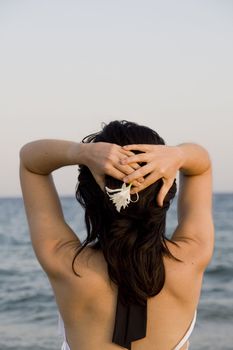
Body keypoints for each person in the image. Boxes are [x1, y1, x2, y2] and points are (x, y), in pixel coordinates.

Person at [19, 120, 214, 350]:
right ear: (165, 191)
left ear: (89, 196)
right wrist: (178, 154)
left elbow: (30, 163)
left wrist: (80, 152)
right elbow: (201, 167)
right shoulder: (191, 258)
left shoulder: (66, 264)